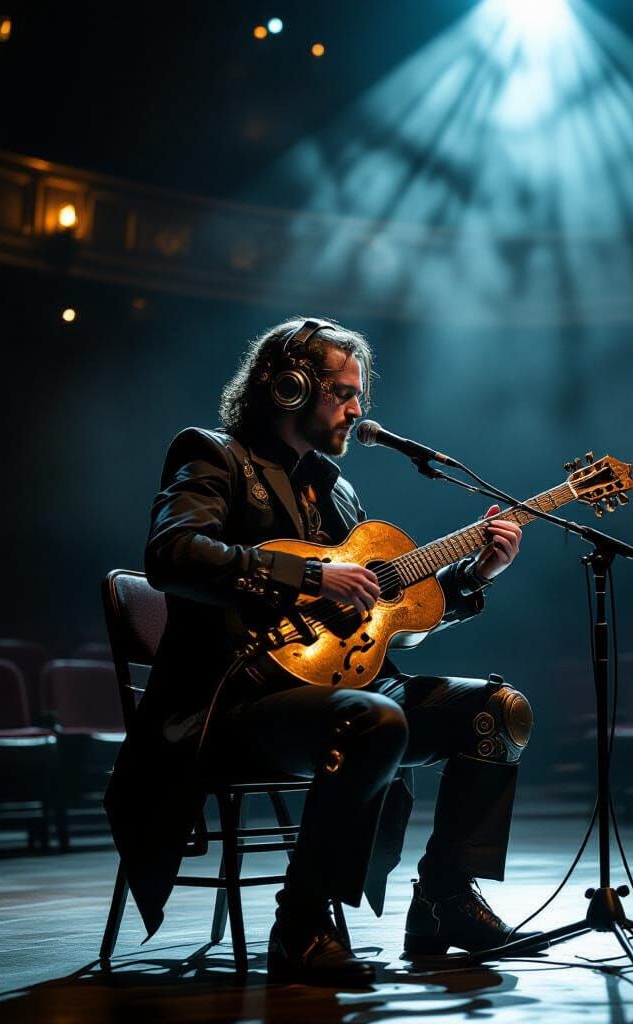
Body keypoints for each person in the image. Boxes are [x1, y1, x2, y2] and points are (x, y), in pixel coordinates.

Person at [103, 316, 533, 985]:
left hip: (334, 693)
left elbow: (385, 618)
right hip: (233, 703)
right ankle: (301, 928)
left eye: (360, 395)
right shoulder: (213, 455)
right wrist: (307, 574)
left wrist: (472, 576)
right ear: (289, 386)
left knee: (498, 710)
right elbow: (171, 554)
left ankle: (444, 898)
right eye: (343, 393)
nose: (359, 410)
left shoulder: (337, 489)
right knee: (373, 718)